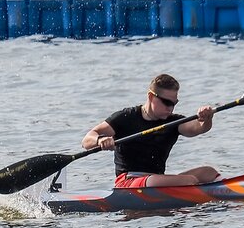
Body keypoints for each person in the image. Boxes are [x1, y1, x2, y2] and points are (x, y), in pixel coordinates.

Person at [81, 74, 219, 188]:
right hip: (128, 182)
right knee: (189, 181)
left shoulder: (173, 121)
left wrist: (206, 118)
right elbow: (87, 140)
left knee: (209, 173)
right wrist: (100, 140)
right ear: (151, 96)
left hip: (155, 179)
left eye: (174, 103)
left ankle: (231, 190)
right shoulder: (126, 117)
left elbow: (198, 128)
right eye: (166, 102)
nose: (170, 108)